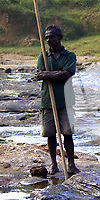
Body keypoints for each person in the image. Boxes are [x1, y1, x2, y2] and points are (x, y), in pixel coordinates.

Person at [34, 25, 80, 176]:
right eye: (46, 37)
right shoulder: (43, 56)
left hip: (65, 100)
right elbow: (40, 74)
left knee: (67, 133)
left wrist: (48, 75)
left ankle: (71, 165)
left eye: (51, 37)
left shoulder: (69, 56)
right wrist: (52, 74)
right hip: (47, 100)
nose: (49, 40)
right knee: (50, 134)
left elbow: (67, 74)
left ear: (59, 38)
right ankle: (54, 164)